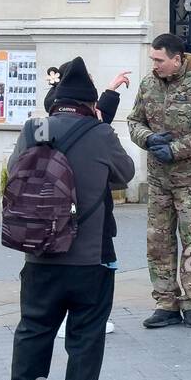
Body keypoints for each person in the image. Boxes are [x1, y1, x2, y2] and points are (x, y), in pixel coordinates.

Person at [0, 58, 135, 380]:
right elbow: (124, 175)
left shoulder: (32, 129)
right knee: (86, 334)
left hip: (39, 251)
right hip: (91, 256)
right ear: (91, 104)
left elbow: (13, 173)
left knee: (34, 329)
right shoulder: (99, 133)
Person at [127, 33, 191, 328]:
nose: (155, 65)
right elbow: (134, 121)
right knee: (158, 241)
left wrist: (176, 149)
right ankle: (165, 302)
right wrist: (149, 138)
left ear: (177, 59)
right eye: (153, 60)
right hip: (159, 180)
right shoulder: (148, 85)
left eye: (159, 60)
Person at [44, 62, 132, 339]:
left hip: (44, 215)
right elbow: (124, 172)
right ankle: (89, 318)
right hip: (90, 213)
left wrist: (110, 91)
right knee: (97, 262)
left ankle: (55, 319)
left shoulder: (38, 128)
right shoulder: (95, 131)